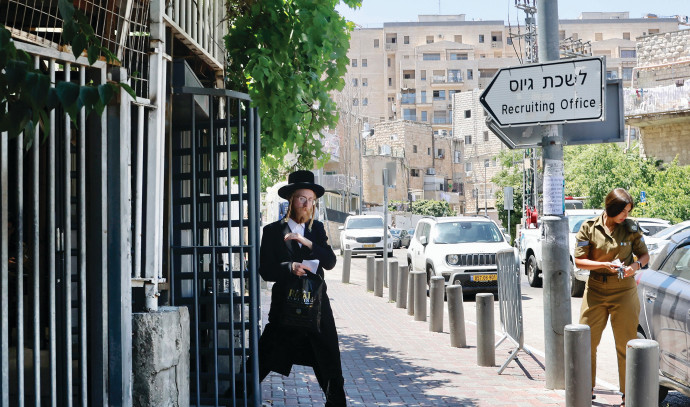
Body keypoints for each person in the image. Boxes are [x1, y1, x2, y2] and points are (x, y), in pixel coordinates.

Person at [257, 170, 346, 406]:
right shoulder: (272, 231)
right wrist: (290, 267)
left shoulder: (316, 230)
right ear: (291, 200)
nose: (307, 204)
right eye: (302, 199)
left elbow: (329, 262)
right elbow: (265, 270)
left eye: (311, 200)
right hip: (286, 306)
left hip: (316, 307)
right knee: (264, 356)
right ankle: (234, 397)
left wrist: (307, 242)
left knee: (329, 359)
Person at [573, 188, 649, 406]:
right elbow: (579, 261)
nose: (625, 215)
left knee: (626, 344)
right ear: (611, 207)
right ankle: (584, 388)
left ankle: (628, 395)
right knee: (586, 340)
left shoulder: (630, 228)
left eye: (628, 211)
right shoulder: (589, 227)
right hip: (596, 288)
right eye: (622, 211)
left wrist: (635, 266)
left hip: (624, 290)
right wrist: (603, 265)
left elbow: (644, 254)